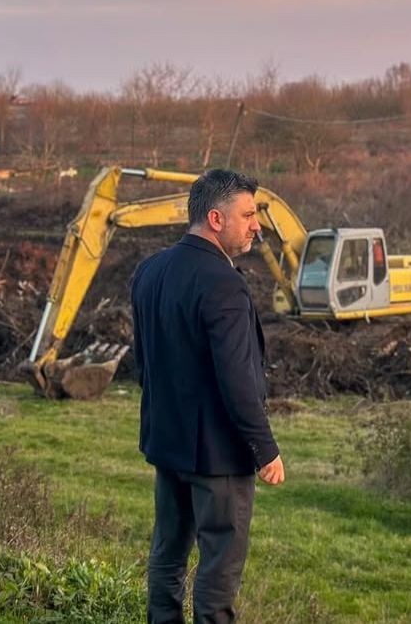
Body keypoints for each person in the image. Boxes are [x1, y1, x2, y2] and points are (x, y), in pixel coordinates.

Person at [131, 168, 285, 624]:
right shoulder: (225, 285)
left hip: (168, 443)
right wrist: (265, 449)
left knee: (168, 552)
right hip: (219, 456)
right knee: (219, 571)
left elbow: (146, 362)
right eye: (248, 214)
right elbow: (238, 380)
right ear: (216, 219)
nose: (256, 225)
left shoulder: (149, 271)